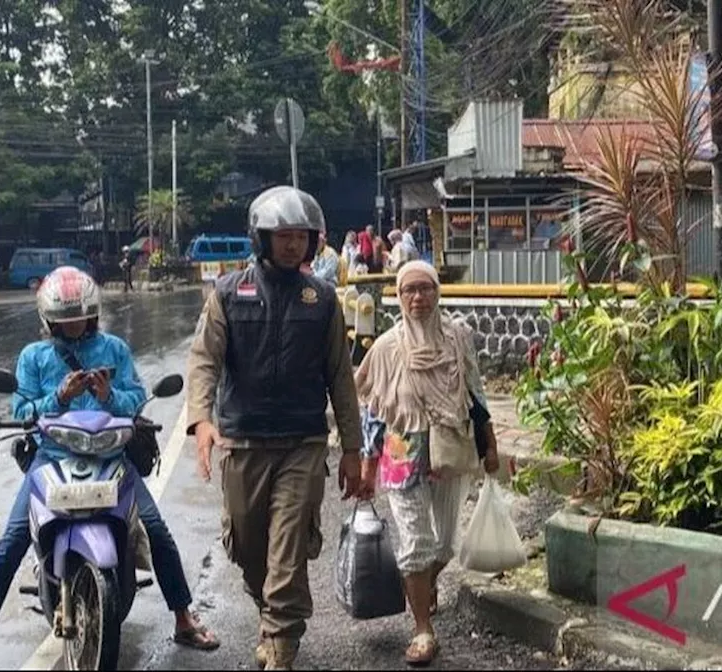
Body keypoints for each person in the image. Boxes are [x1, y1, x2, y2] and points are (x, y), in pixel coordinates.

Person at [0, 266, 218, 672]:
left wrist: (107, 393)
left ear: (92, 313)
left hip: (111, 459)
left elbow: (136, 400)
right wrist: (59, 396)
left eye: (79, 316)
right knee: (10, 543)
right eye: (64, 318)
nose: (74, 324)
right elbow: (21, 410)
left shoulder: (113, 350)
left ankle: (183, 618)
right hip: (52, 459)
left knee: (158, 532)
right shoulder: (34, 357)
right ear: (49, 320)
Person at [186, 185, 364, 671]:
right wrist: (201, 419)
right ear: (260, 239)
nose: (292, 245)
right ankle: (270, 617)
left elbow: (340, 377)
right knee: (248, 550)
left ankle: (281, 648)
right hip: (243, 441)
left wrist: (353, 449)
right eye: (281, 236)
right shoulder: (227, 293)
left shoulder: (323, 300)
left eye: (301, 237)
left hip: (303, 443)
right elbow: (204, 360)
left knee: (287, 553)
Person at [353, 260, 500, 667]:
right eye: (408, 291)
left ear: (437, 292)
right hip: (402, 452)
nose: (417, 297)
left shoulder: (458, 338)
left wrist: (490, 445)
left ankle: (421, 583)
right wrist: (367, 464)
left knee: (445, 544)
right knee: (416, 542)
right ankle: (422, 628)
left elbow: (476, 393)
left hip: (449, 447)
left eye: (425, 288)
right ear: (399, 297)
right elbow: (373, 410)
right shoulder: (385, 347)